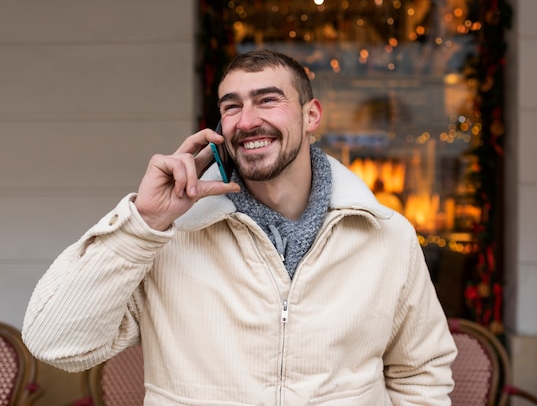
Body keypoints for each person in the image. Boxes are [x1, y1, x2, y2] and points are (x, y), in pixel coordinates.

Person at [22, 49, 457, 405]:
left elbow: (422, 374)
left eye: (268, 100)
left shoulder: (387, 235)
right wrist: (144, 223)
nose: (247, 121)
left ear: (311, 116)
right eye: (232, 106)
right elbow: (56, 343)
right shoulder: (166, 236)